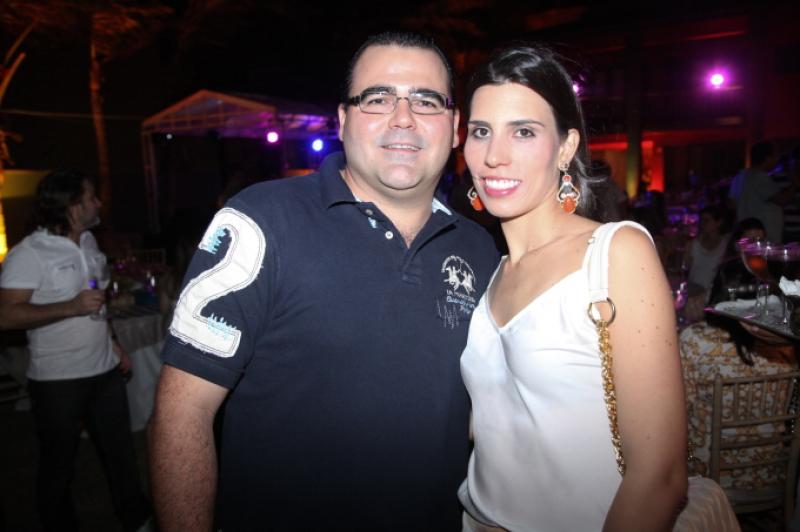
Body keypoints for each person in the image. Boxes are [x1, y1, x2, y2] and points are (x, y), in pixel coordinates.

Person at [149, 31, 499, 531]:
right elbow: (183, 411)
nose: (403, 117)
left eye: (426, 101)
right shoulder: (262, 221)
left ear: (456, 127)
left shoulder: (479, 249)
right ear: (342, 120)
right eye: (377, 98)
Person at [457, 45, 687, 531]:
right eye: (481, 131)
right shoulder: (490, 272)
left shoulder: (614, 254)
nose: (494, 155)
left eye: (523, 131)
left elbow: (660, 477)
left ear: (565, 148)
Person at [0, 170, 152, 532]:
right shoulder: (29, 253)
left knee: (121, 454)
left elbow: (97, 303)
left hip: (105, 372)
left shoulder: (89, 242)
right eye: (91, 197)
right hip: (58, 381)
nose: (98, 203)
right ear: (71, 205)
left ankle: (137, 520)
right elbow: (6, 316)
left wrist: (113, 342)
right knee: (59, 463)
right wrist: (71, 306)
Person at [732, 140, 798, 243]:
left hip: (747, 232)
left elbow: (731, 203)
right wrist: (795, 183)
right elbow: (782, 200)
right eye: (775, 156)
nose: (777, 159)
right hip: (764, 235)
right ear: (768, 158)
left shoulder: (740, 176)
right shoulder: (761, 178)